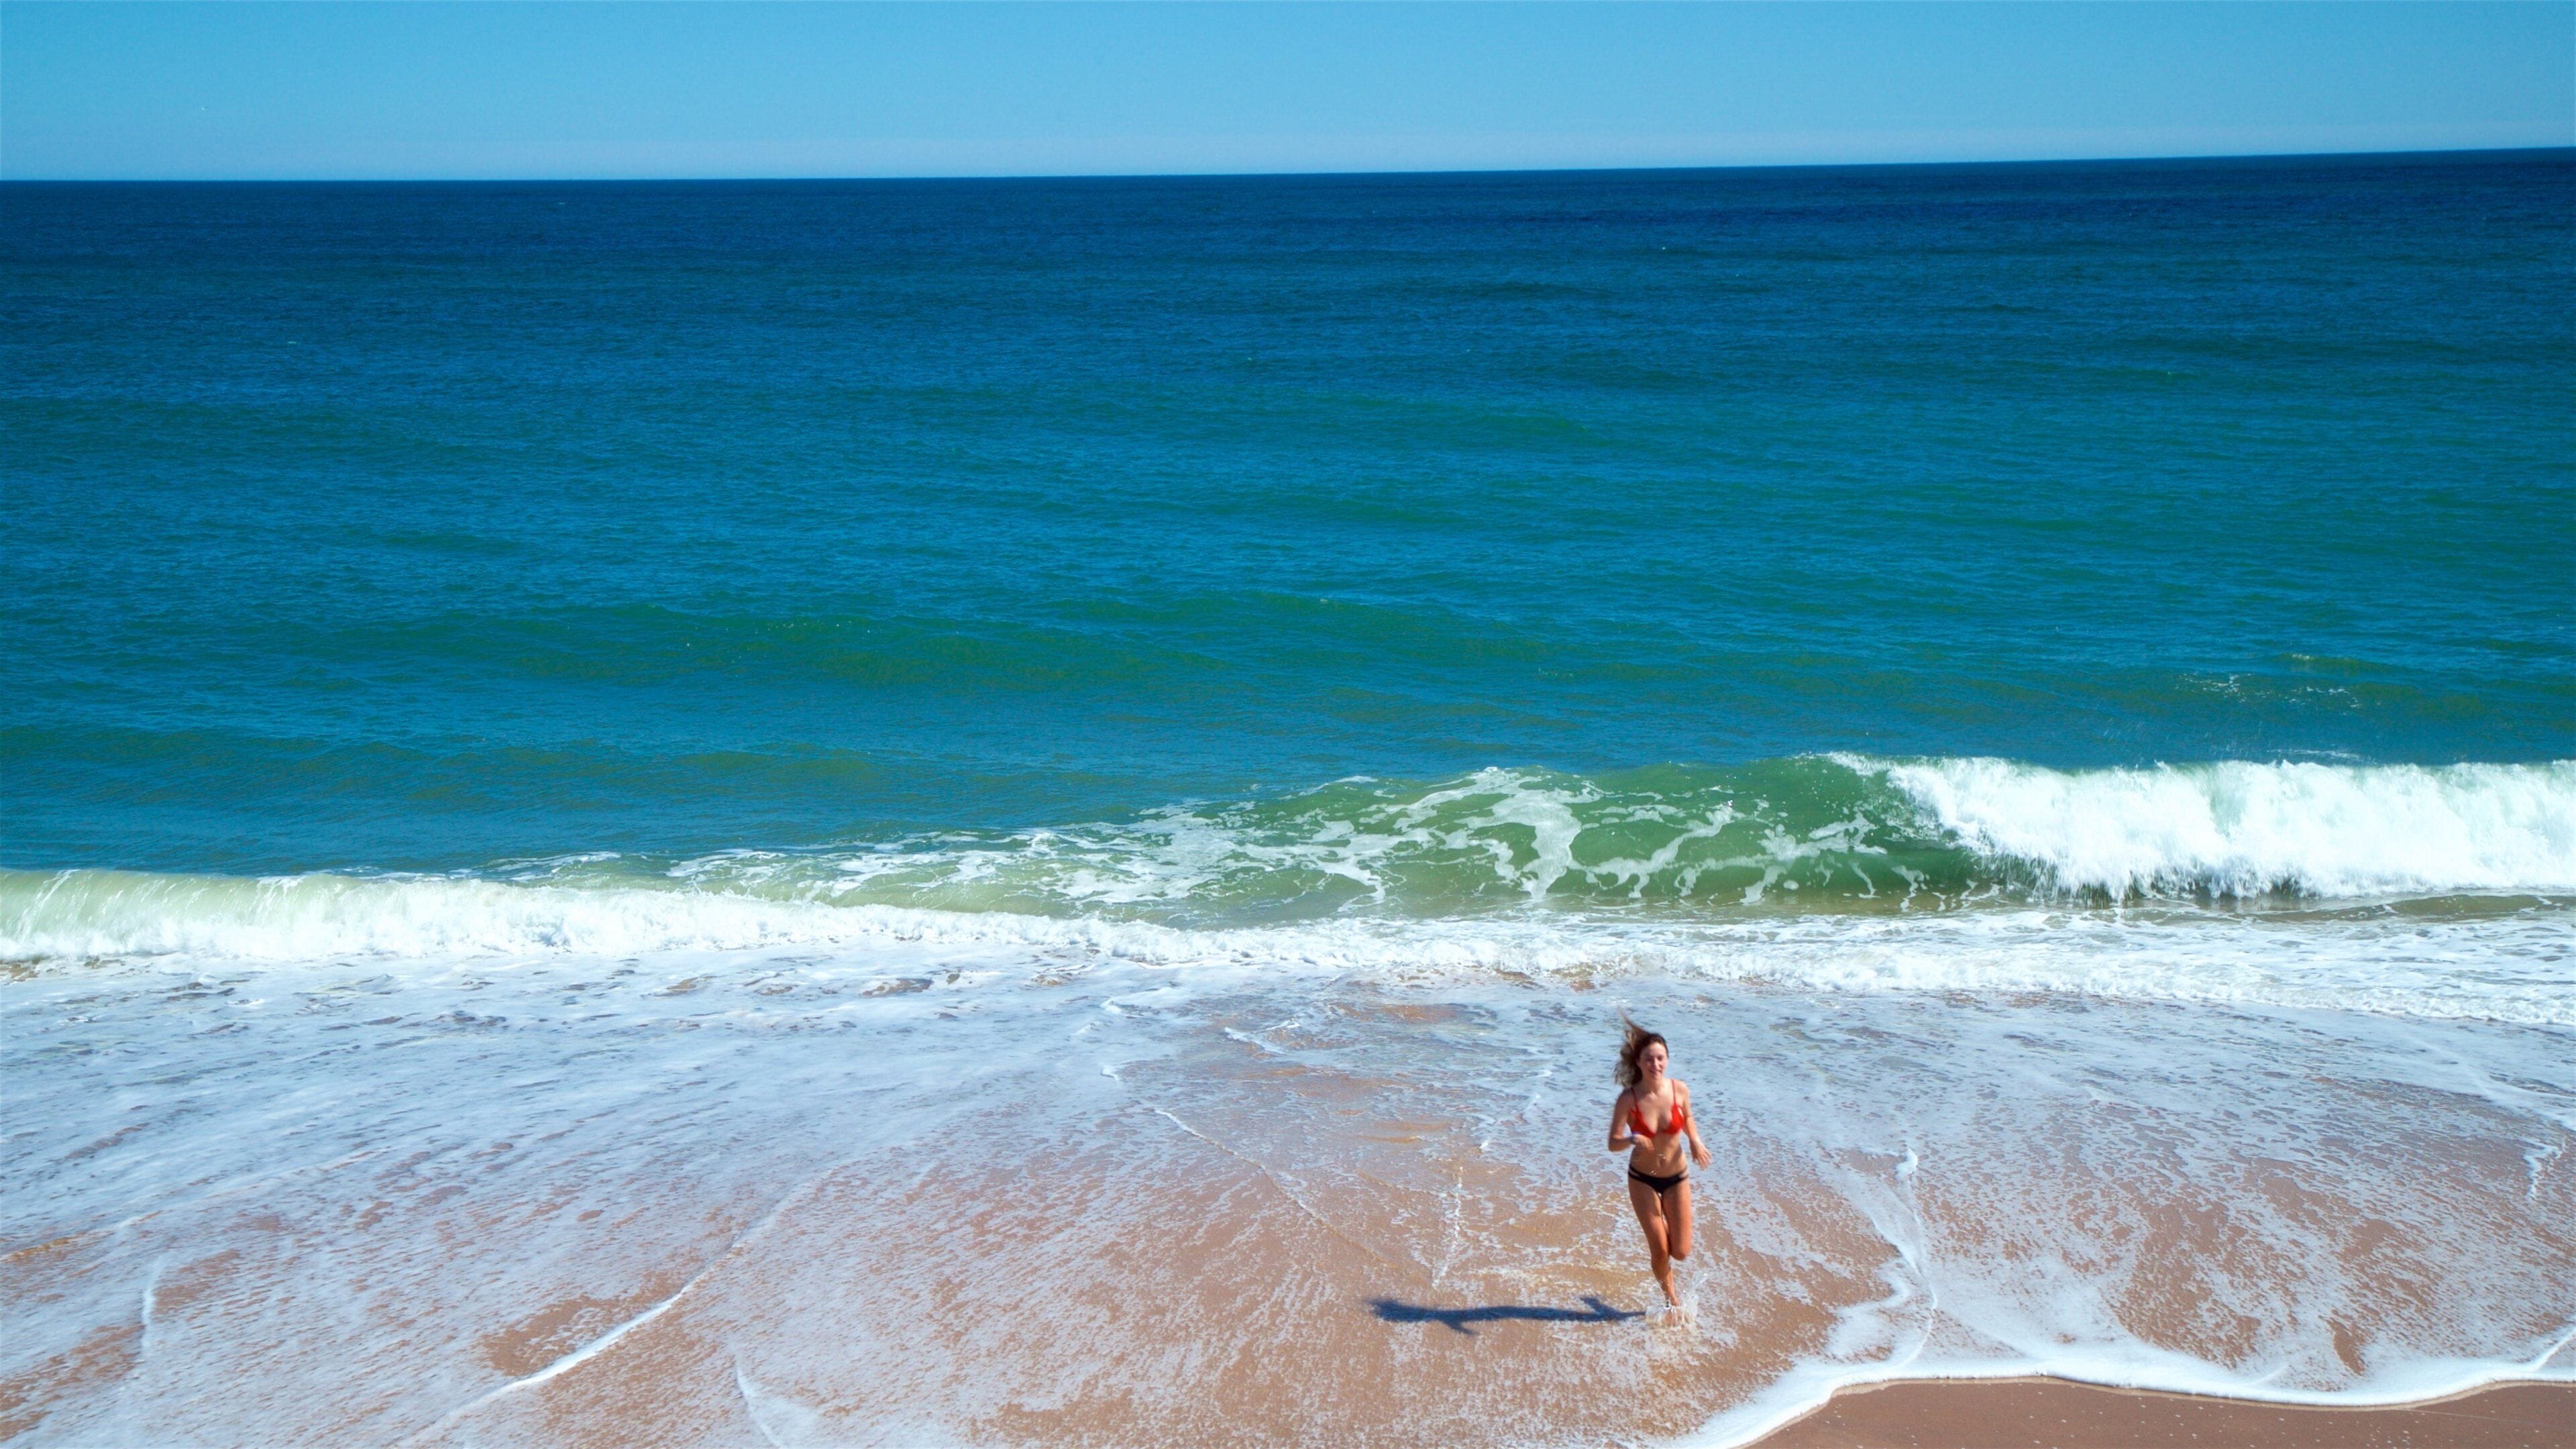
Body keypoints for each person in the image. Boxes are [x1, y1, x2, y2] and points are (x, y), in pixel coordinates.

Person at [1607, 1021, 1711, 1308]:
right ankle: (1671, 1301)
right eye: (1649, 1058)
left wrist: (1695, 1140)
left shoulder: (1680, 1090)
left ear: (1667, 1059)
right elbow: (1612, 1143)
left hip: (1677, 1176)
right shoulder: (1628, 1100)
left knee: (1681, 1251)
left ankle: (1668, 1232)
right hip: (1643, 1179)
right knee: (1660, 1250)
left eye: (1661, 1058)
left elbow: (1687, 1117)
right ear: (1638, 1063)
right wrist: (1630, 1140)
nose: (1656, 1063)